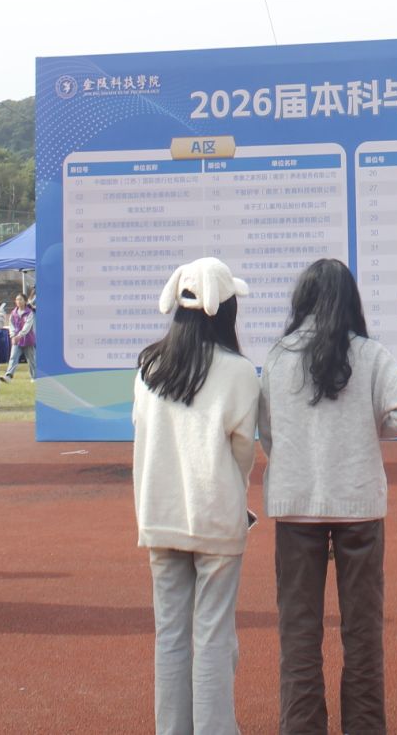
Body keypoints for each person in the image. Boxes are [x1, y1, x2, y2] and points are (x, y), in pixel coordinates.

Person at [257, 258, 397, 730]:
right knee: (362, 633)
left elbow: (267, 430)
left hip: (295, 507)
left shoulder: (278, 356)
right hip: (358, 506)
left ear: (302, 300)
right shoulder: (369, 354)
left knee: (298, 633)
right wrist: (368, 430)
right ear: (350, 300)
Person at [132, 258, 258, 733]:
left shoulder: (149, 365)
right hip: (216, 516)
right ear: (224, 310)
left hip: (158, 513)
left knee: (170, 635)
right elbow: (243, 450)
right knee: (212, 635)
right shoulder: (239, 371)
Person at [3, 292, 35, 381]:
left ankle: (34, 377)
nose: (18, 301)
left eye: (20, 299)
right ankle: (8, 376)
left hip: (28, 340)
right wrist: (13, 335)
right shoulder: (13, 313)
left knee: (31, 360)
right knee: (13, 357)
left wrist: (19, 335)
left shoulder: (29, 313)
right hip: (16, 341)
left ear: (25, 301)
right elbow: (11, 325)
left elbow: (27, 327)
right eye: (17, 300)